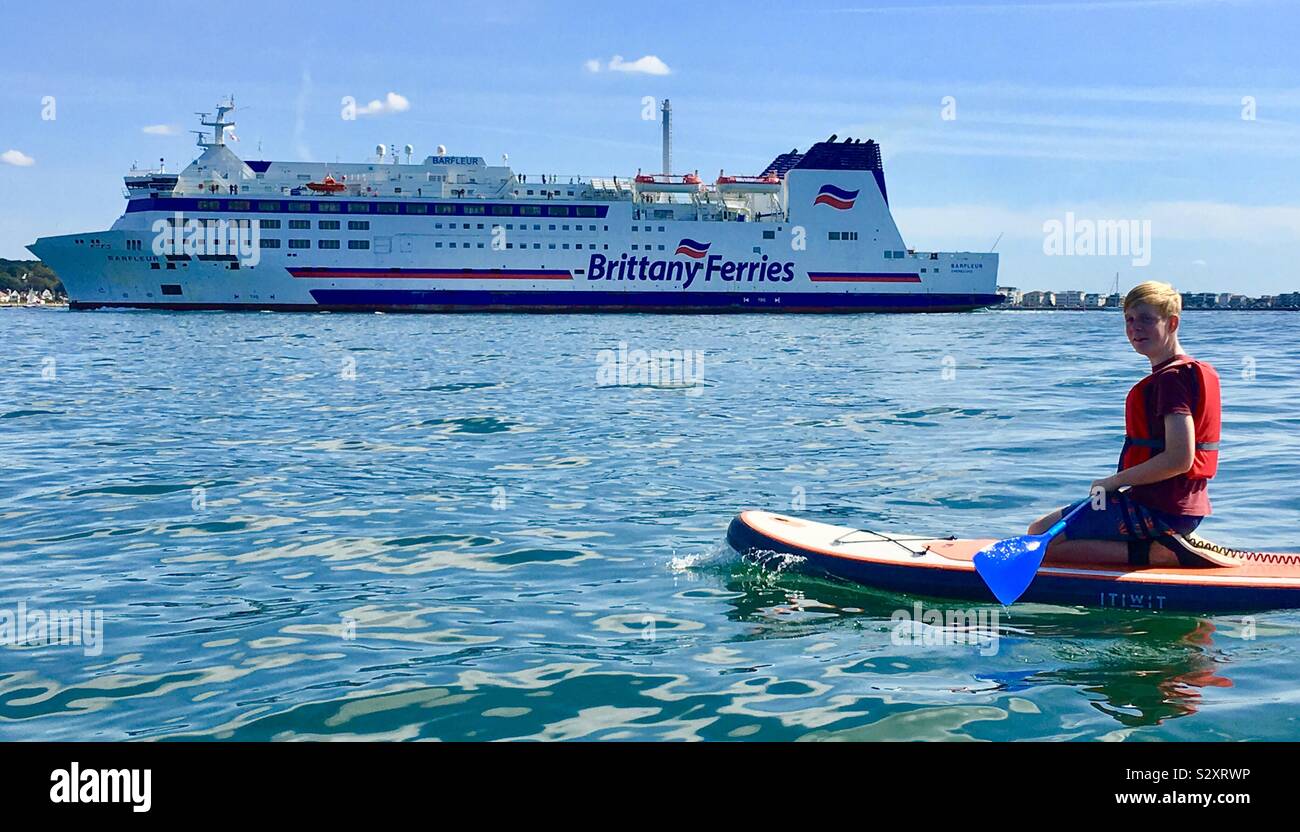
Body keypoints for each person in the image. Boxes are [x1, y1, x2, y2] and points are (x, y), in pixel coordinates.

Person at [1029, 281, 1222, 567]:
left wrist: (1113, 482)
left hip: (1158, 511)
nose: (1135, 328)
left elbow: (1181, 459)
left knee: (1039, 536)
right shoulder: (1189, 372)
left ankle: (1159, 553)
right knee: (1053, 528)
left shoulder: (1171, 380)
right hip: (1177, 509)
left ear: (1172, 323)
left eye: (1146, 319)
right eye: (1129, 320)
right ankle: (1163, 542)